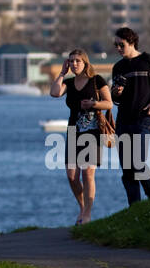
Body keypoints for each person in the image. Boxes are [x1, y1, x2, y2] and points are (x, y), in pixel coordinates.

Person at [49, 48, 114, 224]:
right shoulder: (69, 82)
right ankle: (82, 206)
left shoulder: (96, 80)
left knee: (88, 173)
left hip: (92, 132)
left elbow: (109, 104)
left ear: (85, 62)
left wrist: (94, 104)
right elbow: (54, 93)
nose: (74, 64)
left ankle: (87, 214)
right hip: (73, 131)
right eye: (71, 61)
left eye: (77, 60)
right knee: (71, 176)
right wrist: (62, 73)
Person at [111, 27, 150, 206]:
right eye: (115, 45)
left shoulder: (148, 60)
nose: (118, 48)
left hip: (142, 119)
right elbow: (115, 99)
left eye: (121, 44)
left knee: (138, 163)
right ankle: (135, 208)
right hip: (122, 120)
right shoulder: (118, 67)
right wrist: (116, 92)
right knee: (127, 170)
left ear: (131, 42)